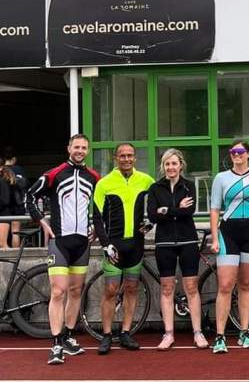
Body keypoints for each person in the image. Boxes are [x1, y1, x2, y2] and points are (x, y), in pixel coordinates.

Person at [25, 134, 100, 365]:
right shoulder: (54, 174)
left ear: (88, 150)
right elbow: (29, 196)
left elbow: (102, 206)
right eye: (76, 147)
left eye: (84, 147)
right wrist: (42, 223)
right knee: (58, 291)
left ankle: (68, 337)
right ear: (69, 148)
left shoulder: (94, 176)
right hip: (59, 242)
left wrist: (97, 229)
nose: (80, 151)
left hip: (82, 243)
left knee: (76, 291)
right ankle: (56, 343)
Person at [209, 141, 249, 354]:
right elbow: (215, 209)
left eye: (241, 152)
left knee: (245, 284)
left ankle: (245, 332)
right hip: (228, 233)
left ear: (248, 154)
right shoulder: (221, 178)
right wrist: (215, 239)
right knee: (226, 285)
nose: (237, 155)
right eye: (233, 152)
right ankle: (220, 336)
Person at [92, 143, 154, 354]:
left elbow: (159, 201)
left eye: (130, 155)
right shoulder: (104, 183)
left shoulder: (145, 180)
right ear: (115, 158)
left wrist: (151, 222)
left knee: (131, 288)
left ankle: (126, 332)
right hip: (114, 245)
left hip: (136, 244)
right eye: (122, 156)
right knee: (111, 290)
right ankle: (107, 334)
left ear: (135, 158)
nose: (126, 159)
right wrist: (105, 244)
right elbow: (97, 217)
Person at [146, 149, 207, 350]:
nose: (170, 167)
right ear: (163, 166)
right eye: (167, 164)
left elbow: (189, 211)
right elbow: (152, 216)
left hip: (188, 241)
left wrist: (166, 210)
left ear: (181, 165)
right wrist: (176, 209)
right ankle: (168, 334)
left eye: (174, 163)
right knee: (166, 288)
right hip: (164, 243)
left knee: (191, 287)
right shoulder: (155, 188)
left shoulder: (189, 186)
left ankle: (197, 332)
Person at [0, 146, 26, 249]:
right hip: (16, 206)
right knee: (15, 233)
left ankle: (14, 257)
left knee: (3, 244)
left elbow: (4, 198)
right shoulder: (17, 171)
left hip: (6, 210)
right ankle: (15, 254)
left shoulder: (3, 179)